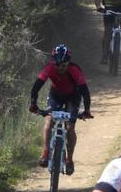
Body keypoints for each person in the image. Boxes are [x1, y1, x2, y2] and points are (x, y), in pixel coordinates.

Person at [29, 44, 93, 174]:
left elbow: (85, 92)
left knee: (70, 128)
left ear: (68, 62)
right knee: (49, 120)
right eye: (57, 65)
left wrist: (86, 110)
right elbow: (36, 87)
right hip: (56, 96)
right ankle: (45, 153)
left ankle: (69, 159)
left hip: (73, 97)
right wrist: (34, 104)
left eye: (64, 64)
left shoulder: (74, 70)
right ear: (53, 62)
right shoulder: (49, 68)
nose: (60, 68)